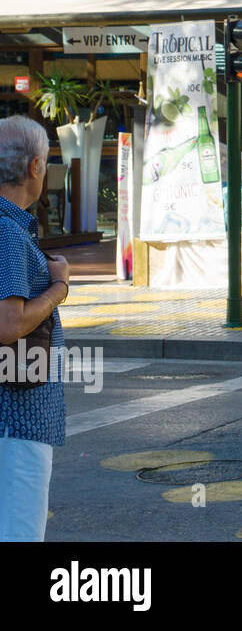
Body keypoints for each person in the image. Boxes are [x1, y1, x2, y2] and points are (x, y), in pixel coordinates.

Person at [0, 116, 71, 541]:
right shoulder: (8, 232)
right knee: (20, 533)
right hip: (17, 420)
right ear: (34, 168)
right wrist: (59, 287)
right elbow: (8, 324)